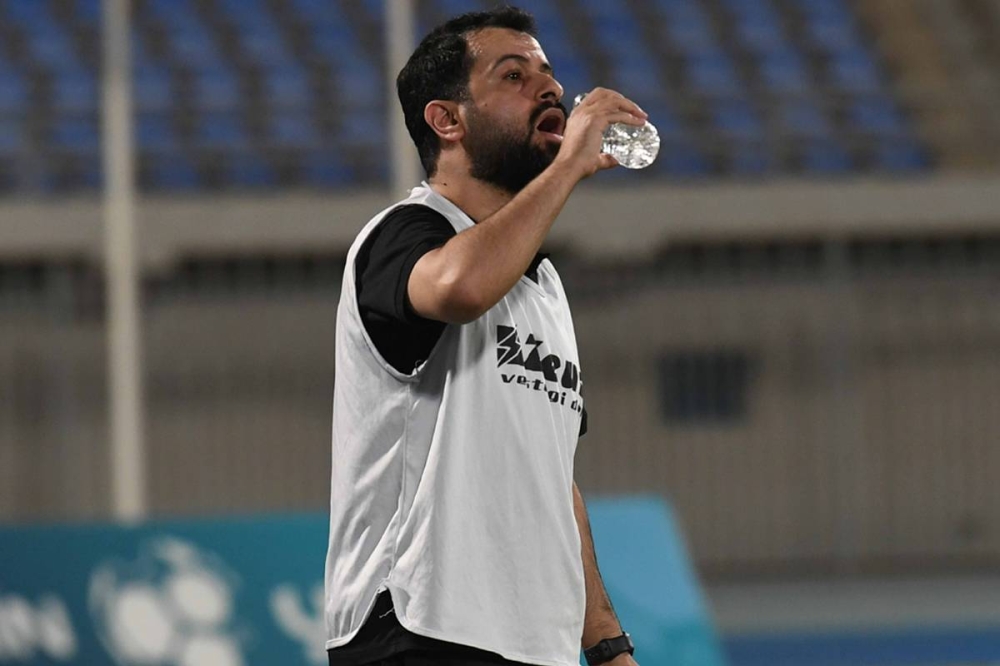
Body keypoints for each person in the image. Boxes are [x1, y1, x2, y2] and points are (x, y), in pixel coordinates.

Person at [324, 6, 645, 666]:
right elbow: (457, 288)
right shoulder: (404, 234)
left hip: (532, 644)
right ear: (448, 120)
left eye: (549, 73)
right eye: (514, 75)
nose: (550, 88)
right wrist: (567, 169)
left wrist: (608, 645)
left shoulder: (544, 286)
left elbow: (554, 478)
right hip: (418, 630)